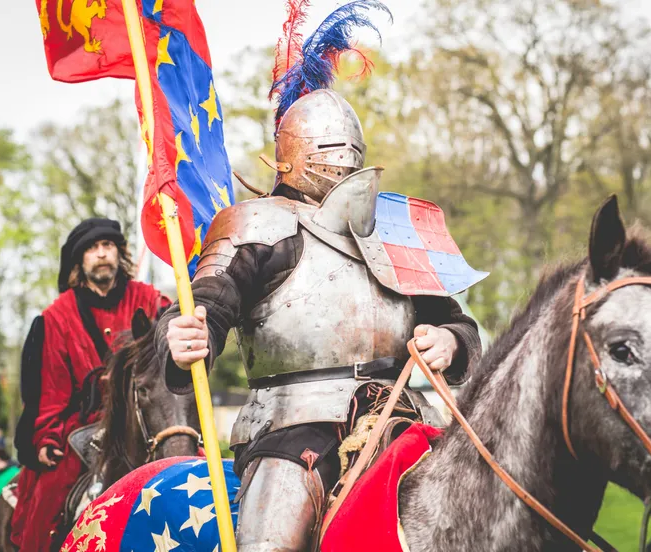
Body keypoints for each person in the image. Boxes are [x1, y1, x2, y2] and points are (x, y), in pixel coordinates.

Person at [158, 86, 483, 550]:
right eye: (328, 150)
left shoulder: (391, 232)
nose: (342, 160)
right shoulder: (255, 225)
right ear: (288, 156)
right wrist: (190, 336)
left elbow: (459, 324)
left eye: (349, 149)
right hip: (293, 428)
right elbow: (206, 306)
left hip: (404, 417)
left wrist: (450, 341)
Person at [10, 218, 170, 552]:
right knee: (48, 499)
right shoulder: (57, 317)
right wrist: (46, 436)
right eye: (92, 249)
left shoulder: (151, 301)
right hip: (84, 427)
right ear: (79, 261)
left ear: (119, 253)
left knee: (193, 468)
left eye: (108, 246)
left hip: (144, 419)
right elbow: (48, 390)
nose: (101, 254)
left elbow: (171, 356)